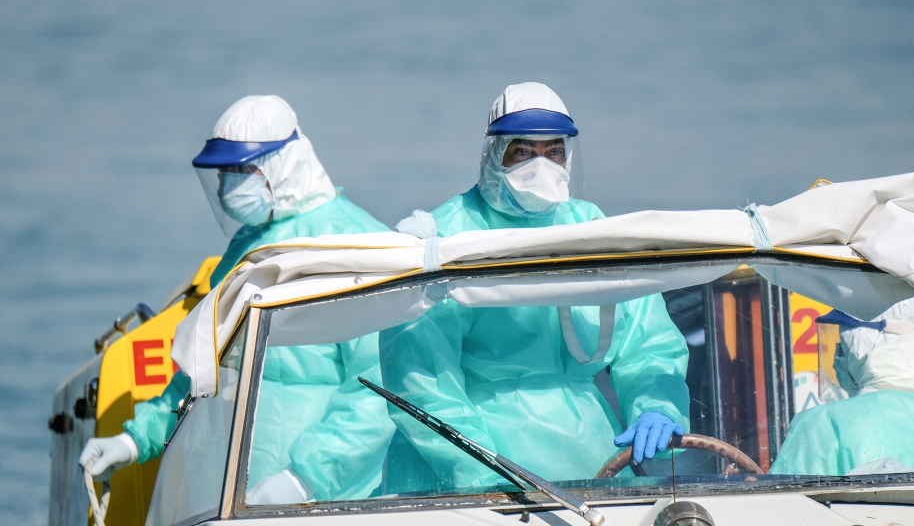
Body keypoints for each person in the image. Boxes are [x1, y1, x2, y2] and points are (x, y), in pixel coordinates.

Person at [79, 95, 394, 503]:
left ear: (283, 166)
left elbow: (381, 383)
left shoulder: (358, 245)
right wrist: (138, 439)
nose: (230, 185)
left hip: (333, 501)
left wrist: (307, 479)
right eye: (225, 172)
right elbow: (207, 368)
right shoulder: (245, 248)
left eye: (242, 169)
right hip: (231, 492)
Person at [379, 83, 690, 493]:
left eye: (554, 152)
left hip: (588, 454)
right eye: (523, 152)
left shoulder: (592, 229)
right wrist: (482, 473)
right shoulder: (446, 238)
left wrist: (656, 408)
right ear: (494, 153)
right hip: (458, 470)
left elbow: (648, 342)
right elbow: (420, 381)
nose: (540, 166)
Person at [770, 295, 914, 475]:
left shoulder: (823, 425)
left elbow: (779, 507)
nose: (836, 359)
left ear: (860, 348)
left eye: (842, 347)